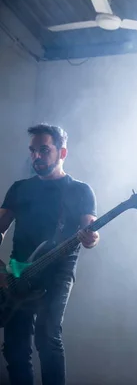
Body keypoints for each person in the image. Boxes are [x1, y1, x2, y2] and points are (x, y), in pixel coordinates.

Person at [0, 124, 99, 385]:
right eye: (33, 151)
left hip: (58, 272)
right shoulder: (20, 188)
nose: (36, 156)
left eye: (44, 150)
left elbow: (90, 227)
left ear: (62, 152)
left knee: (47, 336)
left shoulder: (80, 190)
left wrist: (92, 237)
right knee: (14, 345)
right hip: (18, 273)